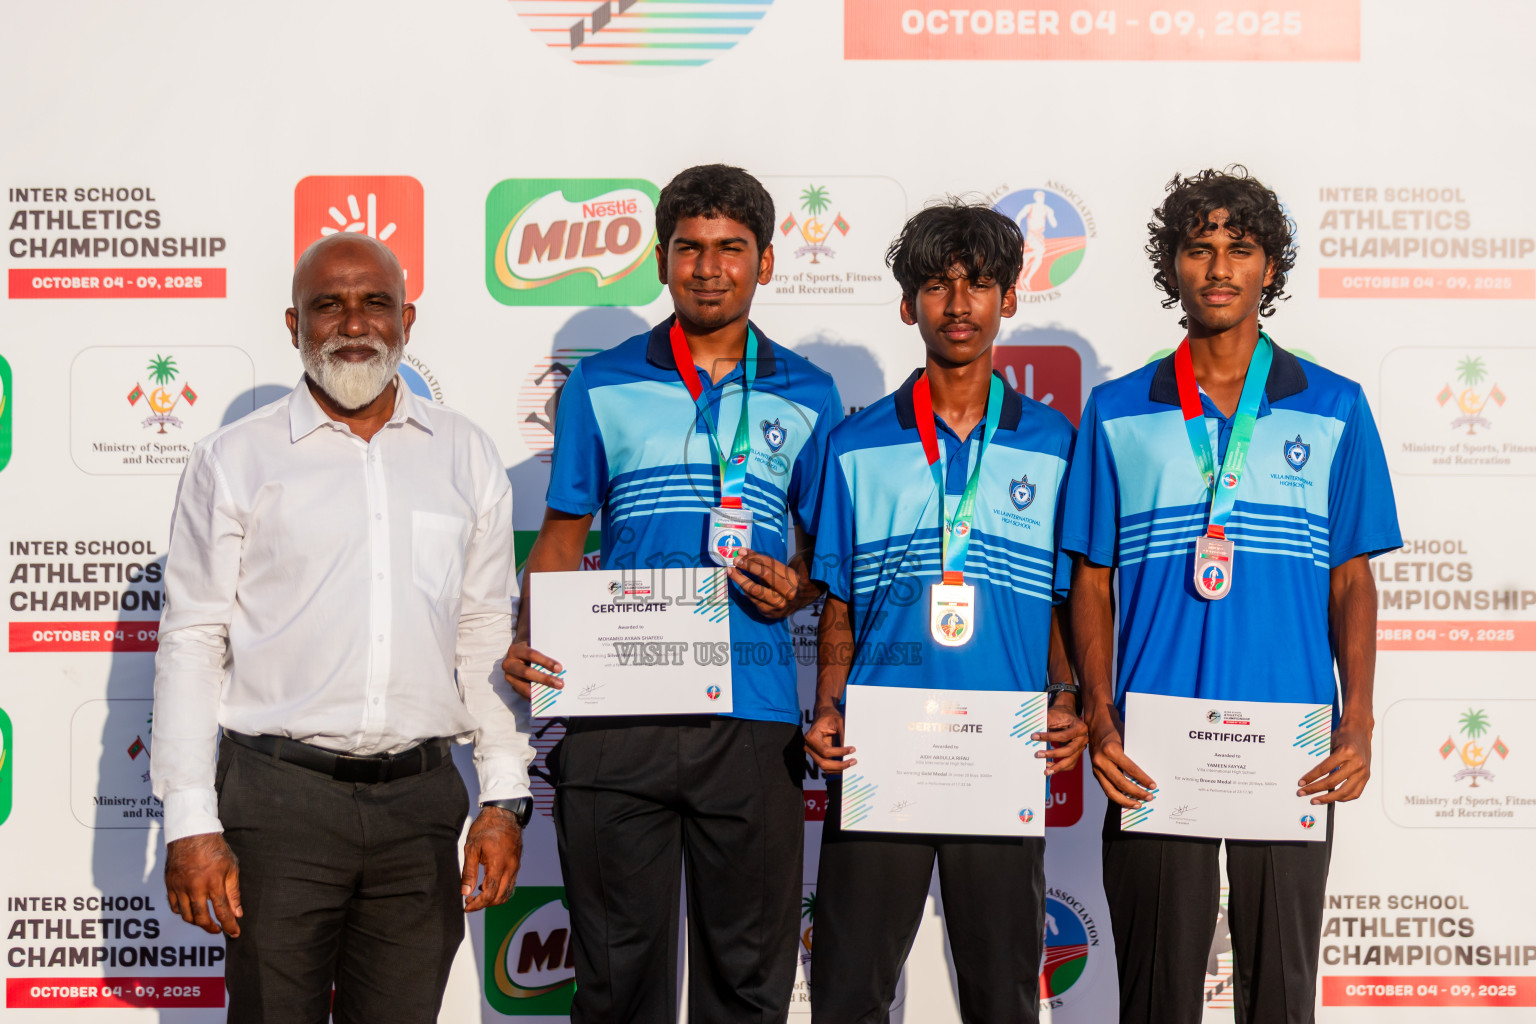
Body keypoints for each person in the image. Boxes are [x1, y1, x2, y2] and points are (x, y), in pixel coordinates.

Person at [151, 233, 534, 1024]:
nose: (354, 324)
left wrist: (502, 796)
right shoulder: (234, 458)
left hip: (422, 809)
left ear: (407, 321)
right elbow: (192, 643)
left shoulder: (465, 455)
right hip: (277, 805)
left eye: (375, 303)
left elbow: (483, 634)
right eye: (328, 305)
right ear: (294, 324)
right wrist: (189, 822)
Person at [501, 164, 843, 1023]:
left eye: (731, 248)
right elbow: (562, 537)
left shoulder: (811, 392)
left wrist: (799, 588)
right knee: (617, 986)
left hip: (754, 717)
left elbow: (828, 562)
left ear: (766, 262)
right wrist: (528, 632)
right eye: (689, 248)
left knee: (748, 987)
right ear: (661, 261)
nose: (708, 268)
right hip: (619, 714)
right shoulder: (601, 382)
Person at [1063, 167, 1401, 1024]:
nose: (1218, 267)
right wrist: (1099, 715)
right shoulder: (1115, 410)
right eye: (1199, 248)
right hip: (1151, 743)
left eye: (1240, 249)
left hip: (1293, 744)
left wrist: (1359, 721)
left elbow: (1352, 578)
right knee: (1155, 1000)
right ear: (1172, 266)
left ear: (1269, 268)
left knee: (1280, 998)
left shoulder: (1336, 406)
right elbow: (1089, 580)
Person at [803, 200, 1087, 1024]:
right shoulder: (855, 444)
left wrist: (1068, 698)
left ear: (1009, 299)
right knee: (848, 995)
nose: (958, 305)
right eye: (936, 285)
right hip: (880, 749)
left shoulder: (1055, 443)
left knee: (1003, 1000)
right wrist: (828, 707)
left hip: (1001, 752)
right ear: (908, 305)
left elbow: (1066, 602)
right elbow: (839, 606)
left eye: (979, 284)